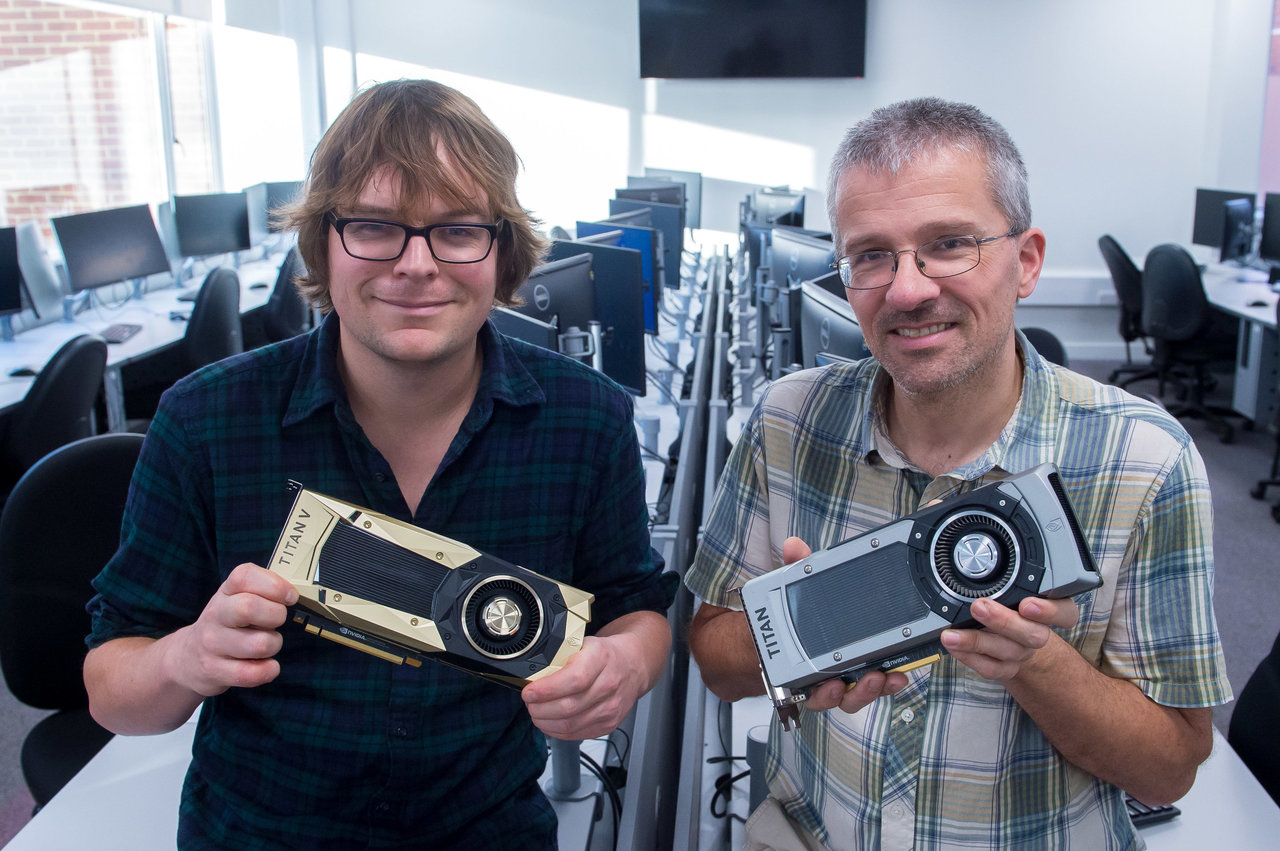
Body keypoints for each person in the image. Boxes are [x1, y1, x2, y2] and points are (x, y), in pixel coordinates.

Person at [83, 79, 676, 850]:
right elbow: (111, 688)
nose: (416, 265)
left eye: (457, 230)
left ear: (502, 252)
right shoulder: (203, 419)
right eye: (375, 226)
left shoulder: (587, 417)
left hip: (486, 832)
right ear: (322, 244)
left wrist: (625, 662)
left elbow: (637, 608)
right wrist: (186, 657)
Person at [686, 97, 1231, 850]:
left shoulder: (1146, 458)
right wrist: (808, 629)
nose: (907, 289)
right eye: (872, 254)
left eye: (949, 244)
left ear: (1028, 260)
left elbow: (1170, 770)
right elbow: (715, 658)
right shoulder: (785, 419)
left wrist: (1037, 664)